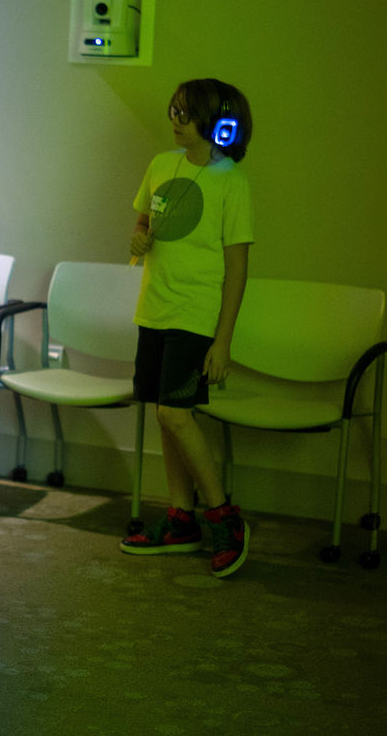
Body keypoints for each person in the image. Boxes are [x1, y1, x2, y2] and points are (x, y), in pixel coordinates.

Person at [119, 78, 253, 578]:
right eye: (173, 110)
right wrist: (138, 241)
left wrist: (223, 340)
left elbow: (237, 267)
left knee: (176, 414)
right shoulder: (160, 164)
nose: (175, 120)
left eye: (185, 113)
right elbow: (141, 225)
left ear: (216, 121)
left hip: (195, 317)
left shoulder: (231, 180)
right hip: (153, 309)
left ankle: (224, 516)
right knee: (163, 414)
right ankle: (181, 519)